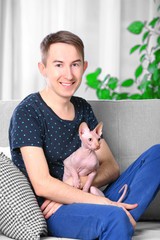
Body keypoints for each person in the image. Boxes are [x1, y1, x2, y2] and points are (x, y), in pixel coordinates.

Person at [9, 30, 160, 240]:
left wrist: (76, 190)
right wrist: (97, 201)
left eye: (75, 64)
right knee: (114, 217)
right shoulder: (28, 112)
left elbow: (111, 167)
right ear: (43, 69)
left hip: (89, 194)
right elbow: (42, 183)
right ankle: (118, 216)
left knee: (158, 155)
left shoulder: (82, 108)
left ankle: (120, 215)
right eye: (59, 64)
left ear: (84, 67)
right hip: (55, 210)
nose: (69, 75)